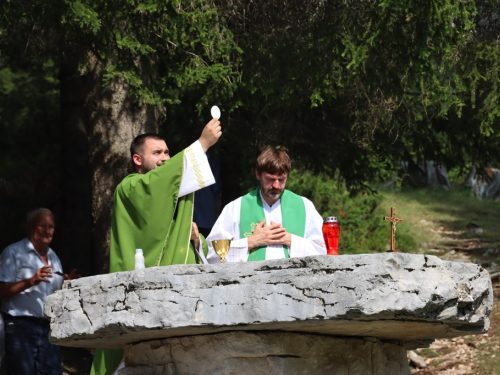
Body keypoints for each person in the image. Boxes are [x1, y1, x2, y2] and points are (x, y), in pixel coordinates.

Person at [90, 118, 221, 375]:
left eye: (167, 152)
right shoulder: (129, 187)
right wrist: (202, 144)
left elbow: (179, 239)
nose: (165, 157)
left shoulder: (172, 193)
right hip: (138, 293)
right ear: (137, 159)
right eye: (157, 152)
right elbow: (156, 185)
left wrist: (195, 239)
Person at [206, 147, 326, 263]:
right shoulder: (235, 208)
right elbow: (212, 254)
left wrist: (289, 240)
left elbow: (324, 250)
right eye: (270, 179)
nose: (276, 186)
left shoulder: (305, 207)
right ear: (258, 174)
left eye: (282, 179)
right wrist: (251, 242)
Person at [0, 208, 80, 375]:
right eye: (42, 225)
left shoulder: (54, 257)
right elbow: (2, 290)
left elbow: (52, 291)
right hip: (19, 327)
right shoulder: (13, 253)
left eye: (51, 226)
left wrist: (66, 284)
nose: (47, 231)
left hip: (47, 328)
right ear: (28, 226)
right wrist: (31, 281)